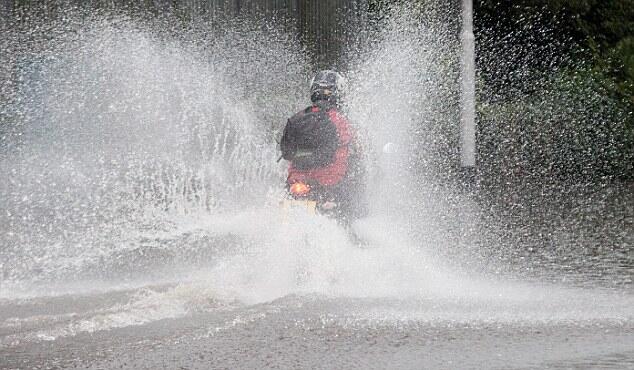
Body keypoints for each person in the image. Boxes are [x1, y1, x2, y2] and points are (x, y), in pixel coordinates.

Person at [280, 70, 366, 224]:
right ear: (339, 93)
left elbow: (286, 151)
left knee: (286, 210)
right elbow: (358, 152)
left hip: (298, 183)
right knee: (357, 193)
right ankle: (355, 234)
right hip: (332, 184)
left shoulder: (297, 118)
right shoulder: (343, 122)